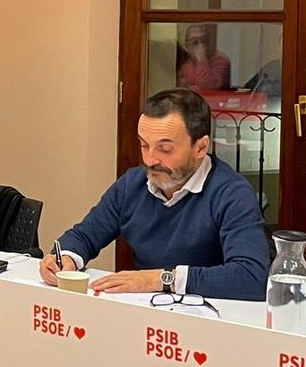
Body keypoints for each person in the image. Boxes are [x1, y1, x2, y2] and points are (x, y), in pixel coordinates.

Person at [40, 88, 269, 301]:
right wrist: (65, 259)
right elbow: (85, 235)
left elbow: (252, 277)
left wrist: (161, 279)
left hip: (212, 320)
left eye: (165, 149)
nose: (150, 160)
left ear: (200, 148)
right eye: (144, 145)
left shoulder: (231, 194)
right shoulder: (134, 184)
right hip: (149, 313)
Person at [177, 24, 231, 91]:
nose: (201, 45)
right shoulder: (185, 66)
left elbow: (207, 88)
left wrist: (202, 59)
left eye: (204, 40)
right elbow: (183, 91)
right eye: (195, 42)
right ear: (187, 45)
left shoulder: (221, 61)